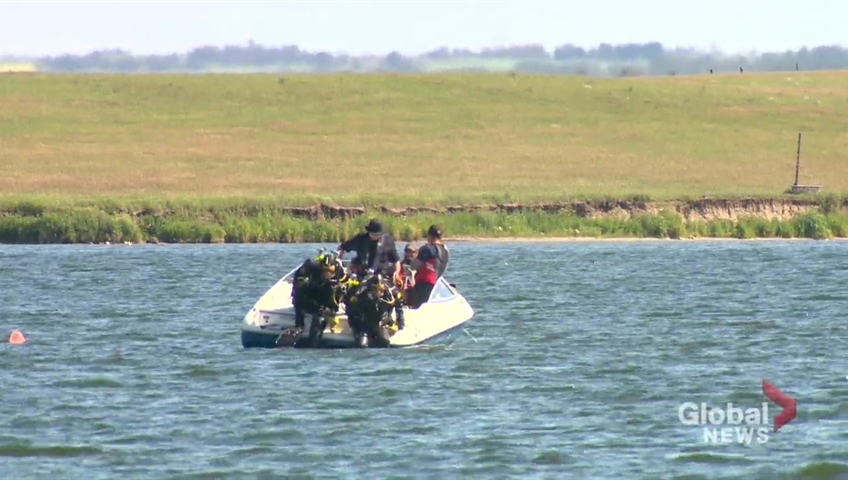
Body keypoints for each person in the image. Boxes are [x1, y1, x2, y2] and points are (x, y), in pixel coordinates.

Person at [290, 251, 347, 347]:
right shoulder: (313, 267)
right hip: (314, 294)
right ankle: (299, 325)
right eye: (325, 271)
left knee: (319, 320)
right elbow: (298, 279)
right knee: (300, 292)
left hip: (328, 301)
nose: (327, 274)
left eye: (330, 271)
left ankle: (313, 343)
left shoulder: (341, 274)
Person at [342, 269, 405, 348]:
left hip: (381, 323)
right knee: (362, 344)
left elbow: (399, 309)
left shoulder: (391, 295)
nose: (379, 293)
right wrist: (355, 324)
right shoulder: (362, 296)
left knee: (384, 342)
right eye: (376, 290)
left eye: (381, 290)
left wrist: (400, 324)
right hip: (364, 324)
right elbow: (350, 310)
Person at [337, 219, 402, 282]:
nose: (376, 236)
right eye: (373, 234)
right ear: (369, 232)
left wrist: (396, 272)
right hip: (362, 275)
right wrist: (339, 261)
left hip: (381, 276)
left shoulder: (387, 241)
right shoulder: (360, 239)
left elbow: (396, 260)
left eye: (378, 235)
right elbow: (342, 247)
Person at [406, 224, 449, 308]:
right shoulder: (446, 251)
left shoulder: (427, 249)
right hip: (437, 288)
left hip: (423, 286)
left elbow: (413, 266)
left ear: (429, 236)